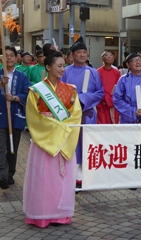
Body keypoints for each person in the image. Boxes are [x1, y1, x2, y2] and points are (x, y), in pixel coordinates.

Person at [23, 48, 82, 228]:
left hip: (63, 140)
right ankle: (42, 214)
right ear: (48, 67)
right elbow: (34, 117)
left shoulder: (71, 91)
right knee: (44, 179)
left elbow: (76, 114)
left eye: (64, 66)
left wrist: (57, 125)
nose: (62, 69)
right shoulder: (36, 91)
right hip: (45, 142)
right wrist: (58, 127)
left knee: (61, 179)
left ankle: (60, 214)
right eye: (59, 66)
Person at [61, 36, 104, 187]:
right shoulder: (65, 72)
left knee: (86, 144)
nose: (82, 55)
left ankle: (85, 176)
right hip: (70, 115)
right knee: (72, 144)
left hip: (87, 114)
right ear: (72, 55)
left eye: (84, 52)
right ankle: (72, 176)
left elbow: (100, 93)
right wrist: (74, 100)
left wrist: (83, 99)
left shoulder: (93, 72)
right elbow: (60, 91)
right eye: (78, 52)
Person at [0, 46, 31, 189]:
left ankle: (10, 173)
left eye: (11, 55)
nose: (9, 58)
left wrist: (14, 98)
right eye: (6, 55)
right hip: (1, 117)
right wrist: (1, 84)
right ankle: (3, 176)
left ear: (16, 57)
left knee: (12, 147)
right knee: (1, 147)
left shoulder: (22, 76)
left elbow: (27, 94)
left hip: (16, 116)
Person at [113, 52, 141, 124]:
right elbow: (117, 99)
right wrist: (133, 111)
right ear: (128, 65)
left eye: (139, 60)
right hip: (128, 121)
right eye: (134, 61)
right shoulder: (123, 80)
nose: (138, 62)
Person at [97, 50, 121, 124]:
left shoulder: (117, 72)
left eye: (111, 56)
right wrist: (105, 97)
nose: (109, 57)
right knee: (103, 123)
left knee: (114, 122)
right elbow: (97, 87)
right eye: (106, 55)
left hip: (113, 100)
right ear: (102, 59)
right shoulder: (98, 72)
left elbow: (119, 86)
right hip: (102, 102)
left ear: (114, 58)